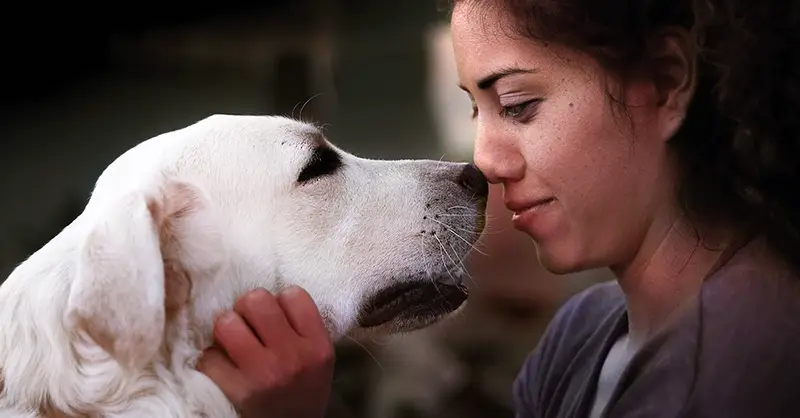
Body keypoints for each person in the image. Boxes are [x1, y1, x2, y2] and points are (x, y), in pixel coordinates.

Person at [200, 0, 800, 417]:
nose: (485, 161)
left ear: (667, 83)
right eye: (474, 111)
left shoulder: (750, 357)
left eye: (518, 105)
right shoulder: (583, 333)